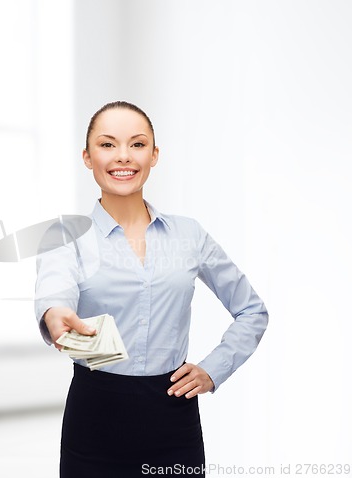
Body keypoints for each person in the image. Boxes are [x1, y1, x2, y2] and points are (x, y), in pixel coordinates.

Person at [35, 101, 268, 478]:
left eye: (137, 144)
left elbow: (252, 311)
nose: (123, 156)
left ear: (154, 154)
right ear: (87, 156)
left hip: (173, 417)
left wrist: (213, 369)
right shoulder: (65, 235)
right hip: (95, 414)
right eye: (108, 145)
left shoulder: (189, 234)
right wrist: (55, 314)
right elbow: (54, 290)